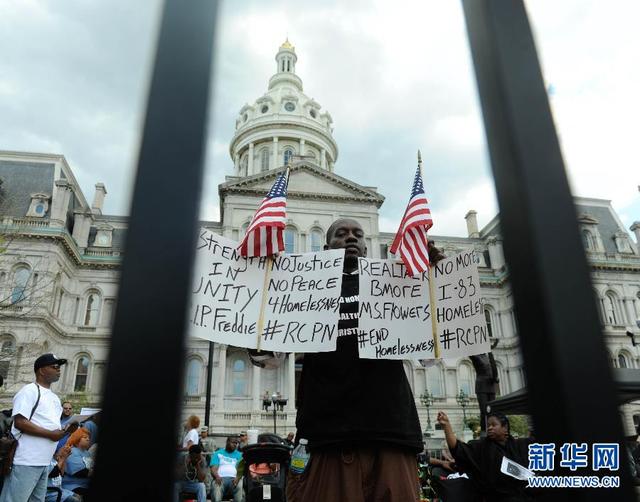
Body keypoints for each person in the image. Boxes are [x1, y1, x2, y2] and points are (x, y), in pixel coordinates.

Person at [270, 218, 443, 502]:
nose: (351, 238)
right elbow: (269, 358)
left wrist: (434, 284)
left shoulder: (395, 285)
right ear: (326, 248)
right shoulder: (303, 288)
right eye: (341, 234)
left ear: (365, 247)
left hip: (391, 435)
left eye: (357, 234)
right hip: (329, 437)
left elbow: (429, 355)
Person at [0, 353, 78, 502]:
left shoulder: (55, 398)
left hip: (45, 462)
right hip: (26, 461)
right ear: (41, 370)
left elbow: (52, 428)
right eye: (54, 366)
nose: (58, 370)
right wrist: (51, 434)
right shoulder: (29, 391)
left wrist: (67, 431)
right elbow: (20, 422)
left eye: (59, 367)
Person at [437, 410, 534, 501]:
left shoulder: (520, 445)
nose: (489, 428)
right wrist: (446, 426)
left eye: (493, 425)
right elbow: (458, 448)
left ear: (505, 428)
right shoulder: (481, 447)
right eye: (488, 425)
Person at [470, 353, 499, 433]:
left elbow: (493, 367)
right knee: (484, 411)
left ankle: (493, 430)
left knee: (492, 411)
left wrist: (495, 377)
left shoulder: (488, 356)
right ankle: (484, 432)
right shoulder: (475, 355)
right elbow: (470, 353)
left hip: (491, 386)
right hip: (482, 386)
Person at [210, 436, 243, 502]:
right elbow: (213, 468)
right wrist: (217, 476)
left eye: (236, 443)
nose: (235, 445)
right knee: (216, 487)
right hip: (220, 479)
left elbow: (241, 469)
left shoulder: (239, 455)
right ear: (227, 442)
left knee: (239, 485)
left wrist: (237, 477)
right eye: (233, 442)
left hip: (234, 479)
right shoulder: (218, 453)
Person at [61, 428, 93, 497]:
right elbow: (80, 472)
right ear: (77, 438)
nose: (88, 439)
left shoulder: (87, 453)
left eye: (88, 438)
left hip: (85, 485)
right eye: (85, 437)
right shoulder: (72, 451)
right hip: (73, 486)